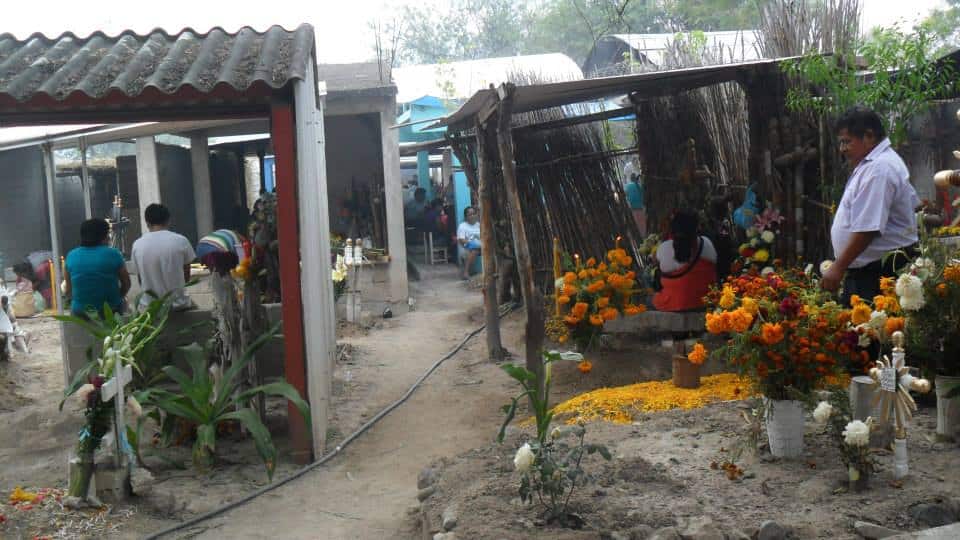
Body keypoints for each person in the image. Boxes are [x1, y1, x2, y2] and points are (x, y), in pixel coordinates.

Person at [820, 107, 920, 306]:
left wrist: (838, 267)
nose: (842, 149)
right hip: (869, 271)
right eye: (841, 142)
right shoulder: (872, 164)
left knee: (872, 334)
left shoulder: (879, 168)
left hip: (878, 275)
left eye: (847, 141)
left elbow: (868, 228)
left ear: (869, 136)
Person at [131, 204, 197, 311]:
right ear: (168, 220)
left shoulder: (137, 245)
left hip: (149, 307)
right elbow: (186, 276)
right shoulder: (181, 240)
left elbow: (140, 280)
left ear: (147, 223)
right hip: (178, 304)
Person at [653, 210, 717, 312]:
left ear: (672, 231)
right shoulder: (707, 243)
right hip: (704, 303)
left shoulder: (664, 248)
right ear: (696, 229)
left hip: (671, 304)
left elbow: (655, 263)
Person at [65, 218, 131, 317]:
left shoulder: (71, 256)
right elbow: (126, 284)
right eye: (108, 234)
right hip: (109, 311)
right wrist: (117, 299)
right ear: (104, 236)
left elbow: (68, 291)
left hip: (81, 312)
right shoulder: (113, 254)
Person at [457, 206, 481, 280]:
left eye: (474, 214)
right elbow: (461, 240)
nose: (473, 216)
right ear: (466, 217)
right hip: (467, 247)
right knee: (474, 249)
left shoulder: (478, 225)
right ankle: (466, 273)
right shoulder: (462, 226)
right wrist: (471, 243)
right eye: (470, 215)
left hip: (481, 246)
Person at [624, 169, 646, 236]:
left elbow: (626, 195)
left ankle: (641, 237)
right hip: (640, 209)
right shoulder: (640, 186)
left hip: (634, 209)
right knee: (642, 226)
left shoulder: (628, 186)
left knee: (638, 226)